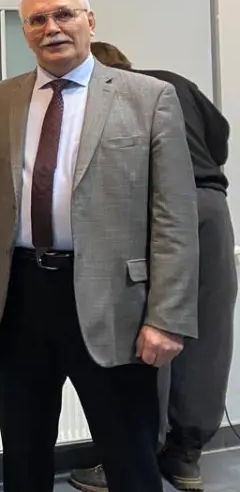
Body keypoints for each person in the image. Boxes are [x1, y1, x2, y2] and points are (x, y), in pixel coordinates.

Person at [0, 0, 199, 492]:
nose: (51, 28)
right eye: (37, 20)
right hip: (20, 297)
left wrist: (167, 317)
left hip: (114, 301)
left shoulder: (149, 98)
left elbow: (174, 216)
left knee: (129, 455)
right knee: (23, 454)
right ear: (25, 32)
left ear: (89, 22)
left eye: (64, 15)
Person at [69, 41, 234, 492]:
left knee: (147, 330)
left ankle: (132, 455)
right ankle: (186, 456)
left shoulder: (112, 96)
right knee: (209, 335)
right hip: (212, 208)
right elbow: (219, 139)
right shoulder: (176, 83)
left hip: (156, 209)